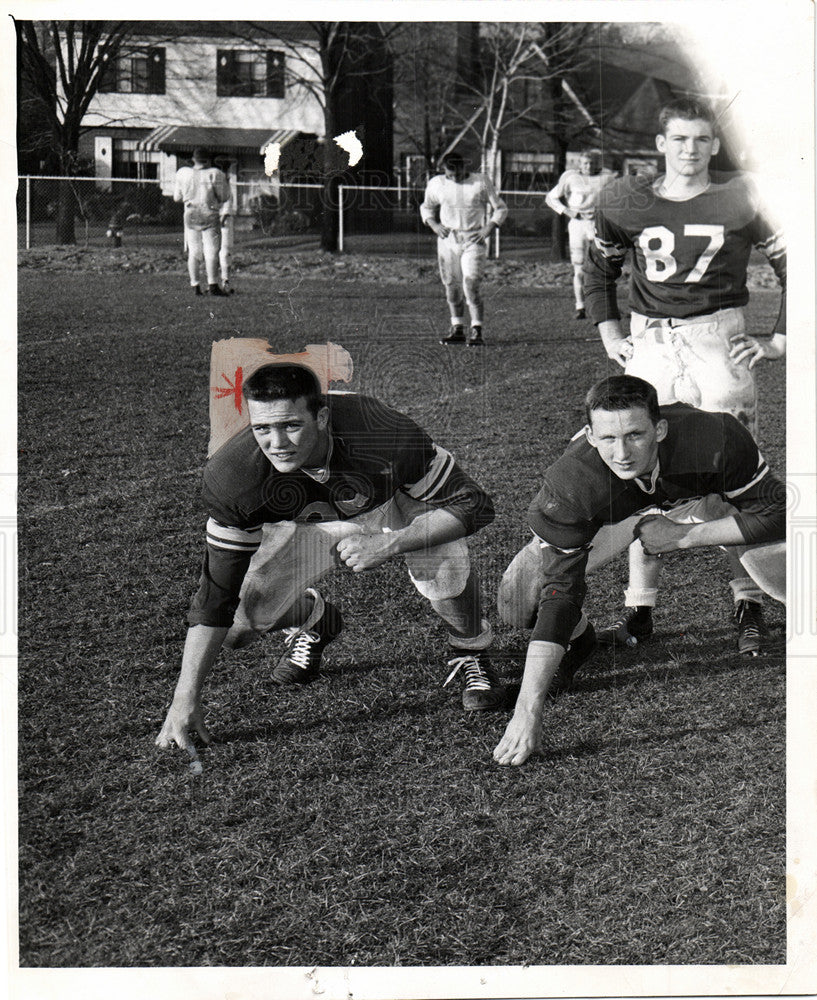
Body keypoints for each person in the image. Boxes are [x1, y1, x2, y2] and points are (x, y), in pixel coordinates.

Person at [156, 363, 503, 759]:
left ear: (321, 417)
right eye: (262, 428)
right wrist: (184, 699)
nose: (276, 442)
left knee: (443, 567)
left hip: (390, 498)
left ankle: (470, 649)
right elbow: (215, 595)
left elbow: (474, 505)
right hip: (309, 518)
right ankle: (316, 618)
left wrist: (393, 543)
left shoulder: (379, 432)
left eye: (290, 425)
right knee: (240, 626)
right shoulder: (233, 478)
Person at [493, 374, 785, 767]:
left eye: (635, 434)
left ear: (660, 428)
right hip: (621, 510)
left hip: (699, 498)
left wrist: (682, 537)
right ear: (589, 436)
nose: (623, 452)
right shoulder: (572, 484)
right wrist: (528, 709)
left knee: (792, 577)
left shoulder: (715, 436)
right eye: (608, 439)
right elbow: (562, 590)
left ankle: (749, 602)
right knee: (517, 602)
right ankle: (580, 640)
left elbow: (776, 514)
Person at [583, 97, 787, 655]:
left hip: (718, 340)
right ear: (660, 144)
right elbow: (599, 267)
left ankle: (748, 602)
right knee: (637, 476)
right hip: (650, 343)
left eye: (700, 139)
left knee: (731, 478)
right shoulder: (627, 197)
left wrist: (777, 341)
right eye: (679, 139)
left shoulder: (740, 195)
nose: (690, 150)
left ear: (715, 144)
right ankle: (638, 612)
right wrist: (609, 334)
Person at [420, 151, 508, 347]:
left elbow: (500, 208)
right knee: (452, 286)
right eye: (449, 174)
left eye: (457, 174)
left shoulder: (480, 182)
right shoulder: (437, 183)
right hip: (448, 240)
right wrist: (434, 225)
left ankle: (477, 330)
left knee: (471, 285)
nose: (453, 178)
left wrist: (489, 228)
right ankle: (457, 329)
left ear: (464, 167)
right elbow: (426, 207)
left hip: (473, 239)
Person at [544, 150, 616, 319]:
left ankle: (601, 305)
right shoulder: (570, 177)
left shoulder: (607, 177)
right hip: (577, 225)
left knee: (601, 265)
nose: (589, 167)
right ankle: (580, 306)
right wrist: (568, 211)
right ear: (579, 164)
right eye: (585, 163)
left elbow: (616, 198)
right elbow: (551, 198)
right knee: (579, 268)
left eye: (592, 163)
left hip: (597, 225)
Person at [173, 147, 232, 297]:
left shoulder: (183, 173)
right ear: (209, 160)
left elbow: (177, 197)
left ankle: (195, 285)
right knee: (211, 251)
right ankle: (213, 285)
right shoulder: (215, 174)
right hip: (208, 212)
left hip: (191, 212)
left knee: (194, 251)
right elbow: (224, 197)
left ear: (193, 159)